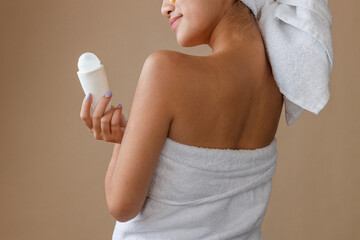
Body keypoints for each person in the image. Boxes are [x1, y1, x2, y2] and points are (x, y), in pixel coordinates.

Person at [80, 0, 333, 239]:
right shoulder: (277, 86)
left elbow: (121, 206)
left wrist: (121, 144)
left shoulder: (165, 71)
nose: (165, 8)